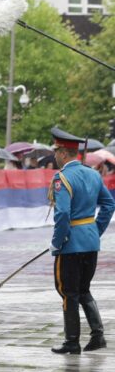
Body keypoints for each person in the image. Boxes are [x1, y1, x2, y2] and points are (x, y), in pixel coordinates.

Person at [48, 127, 115, 354]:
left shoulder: (62, 178)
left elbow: (63, 214)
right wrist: (95, 229)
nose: (55, 155)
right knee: (83, 289)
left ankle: (72, 341)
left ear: (64, 153)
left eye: (56, 151)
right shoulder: (93, 174)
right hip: (91, 242)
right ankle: (97, 335)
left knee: (69, 291)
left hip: (71, 246)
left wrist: (57, 241)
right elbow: (109, 204)